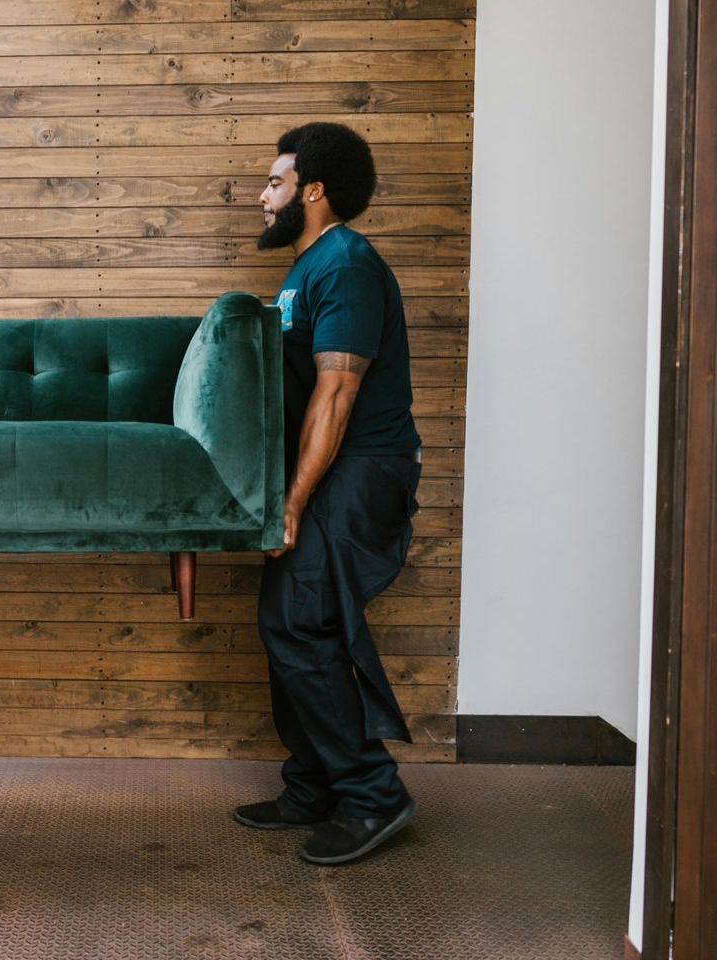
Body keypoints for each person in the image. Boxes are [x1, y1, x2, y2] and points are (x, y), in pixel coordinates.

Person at [232, 122, 425, 866]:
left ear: (313, 189)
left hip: (361, 467)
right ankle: (312, 785)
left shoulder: (345, 264)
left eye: (275, 181)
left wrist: (293, 498)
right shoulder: (305, 268)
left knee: (300, 620)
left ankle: (372, 794)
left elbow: (337, 394)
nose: (263, 194)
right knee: (289, 619)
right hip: (330, 468)